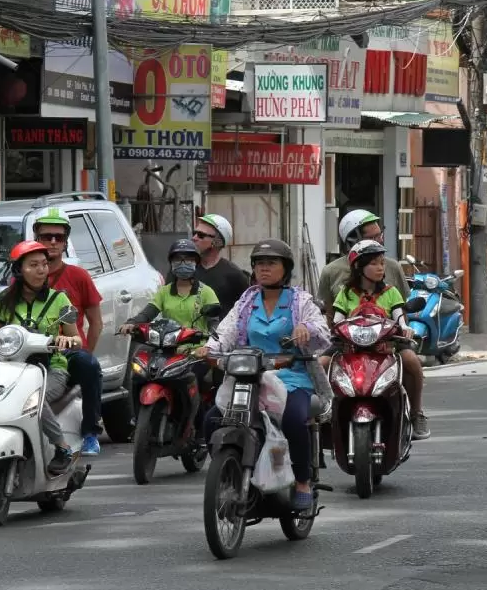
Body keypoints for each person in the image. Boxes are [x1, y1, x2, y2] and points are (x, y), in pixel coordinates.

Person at [199, 239, 331, 510]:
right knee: (212, 420)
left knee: (294, 420)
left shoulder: (300, 300)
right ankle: (229, 473)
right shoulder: (246, 301)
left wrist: (306, 328)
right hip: (251, 378)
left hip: (292, 378)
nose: (264, 269)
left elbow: (322, 331)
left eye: (271, 263)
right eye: (259, 263)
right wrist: (208, 348)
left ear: (286, 268)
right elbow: (227, 331)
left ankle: (303, 481)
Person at [0, 241, 82, 476]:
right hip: (11, 369)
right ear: (19, 270)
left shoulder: (60, 300)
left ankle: (62, 448)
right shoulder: (3, 300)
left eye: (44, 264)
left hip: (51, 368)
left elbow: (77, 339)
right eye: (33, 265)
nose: (41, 270)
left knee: (36, 400)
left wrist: (66, 341)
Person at [318, 209, 428, 439]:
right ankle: (325, 412)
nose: (379, 240)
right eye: (372, 236)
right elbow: (329, 313)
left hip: (388, 339)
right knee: (320, 364)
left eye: (380, 235)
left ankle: (416, 413)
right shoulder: (330, 272)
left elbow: (402, 307)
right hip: (347, 341)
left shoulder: (392, 267)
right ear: (352, 240)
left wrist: (403, 329)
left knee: (412, 362)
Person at [119, 239, 220, 437]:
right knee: (139, 370)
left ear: (196, 262)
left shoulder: (206, 292)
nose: (183, 263)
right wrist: (132, 323)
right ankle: (137, 417)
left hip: (196, 352)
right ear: (171, 263)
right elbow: (147, 313)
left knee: (194, 380)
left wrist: (210, 340)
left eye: (188, 259)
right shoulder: (164, 292)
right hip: (167, 350)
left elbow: (215, 323)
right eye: (178, 259)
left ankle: (197, 430)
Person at [32, 208, 105, 456]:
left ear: (65, 242)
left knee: (89, 365)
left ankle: (90, 433)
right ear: (36, 238)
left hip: (67, 353)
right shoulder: (21, 279)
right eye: (46, 236)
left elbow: (96, 322)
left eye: (58, 237)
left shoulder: (79, 276)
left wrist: (86, 352)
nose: (52, 242)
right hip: (31, 352)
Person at [193, 214, 249, 315]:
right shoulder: (184, 269)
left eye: (201, 235)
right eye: (195, 233)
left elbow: (246, 311)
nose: (194, 238)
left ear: (217, 242)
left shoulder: (234, 275)